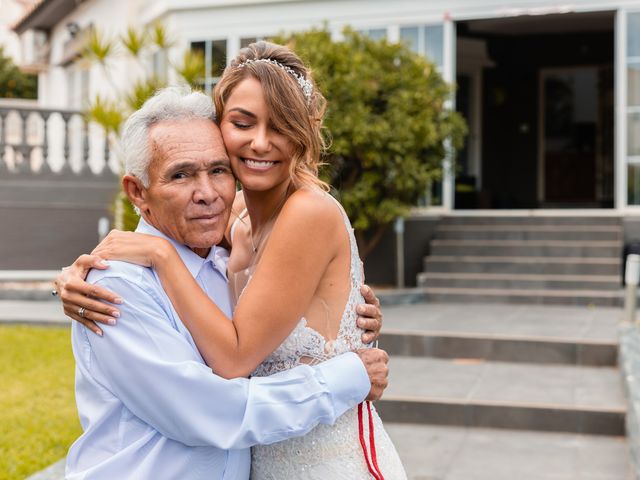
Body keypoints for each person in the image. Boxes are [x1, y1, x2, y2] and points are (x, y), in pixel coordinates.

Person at [59, 41, 407, 479]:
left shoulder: (292, 215)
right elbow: (213, 403)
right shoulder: (226, 225)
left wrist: (354, 329)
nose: (206, 192)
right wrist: (71, 277)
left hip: (324, 460)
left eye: (216, 170)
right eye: (243, 123)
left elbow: (248, 344)